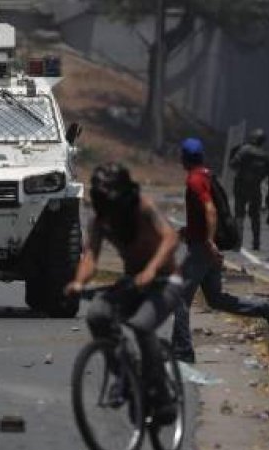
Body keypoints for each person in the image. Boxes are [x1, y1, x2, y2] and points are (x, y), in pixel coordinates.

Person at [65, 163, 183, 423]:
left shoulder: (143, 207)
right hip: (132, 282)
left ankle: (162, 396)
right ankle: (122, 374)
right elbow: (91, 257)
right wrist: (78, 282)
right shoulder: (101, 220)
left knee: (141, 326)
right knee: (97, 314)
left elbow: (170, 238)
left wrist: (152, 270)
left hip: (165, 282)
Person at [172, 138, 269, 364]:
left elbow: (210, 211)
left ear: (183, 158)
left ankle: (182, 351)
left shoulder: (194, 180)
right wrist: (188, 230)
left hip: (202, 249)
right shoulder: (206, 174)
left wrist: (209, 242)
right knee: (216, 299)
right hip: (203, 245)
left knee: (179, 298)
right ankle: (267, 309)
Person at [230, 128, 269, 251]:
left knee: (239, 214)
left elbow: (233, 164)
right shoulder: (265, 154)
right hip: (255, 187)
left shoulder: (244, 150)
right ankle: (256, 242)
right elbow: (267, 171)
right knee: (255, 215)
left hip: (241, 185)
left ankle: (237, 242)